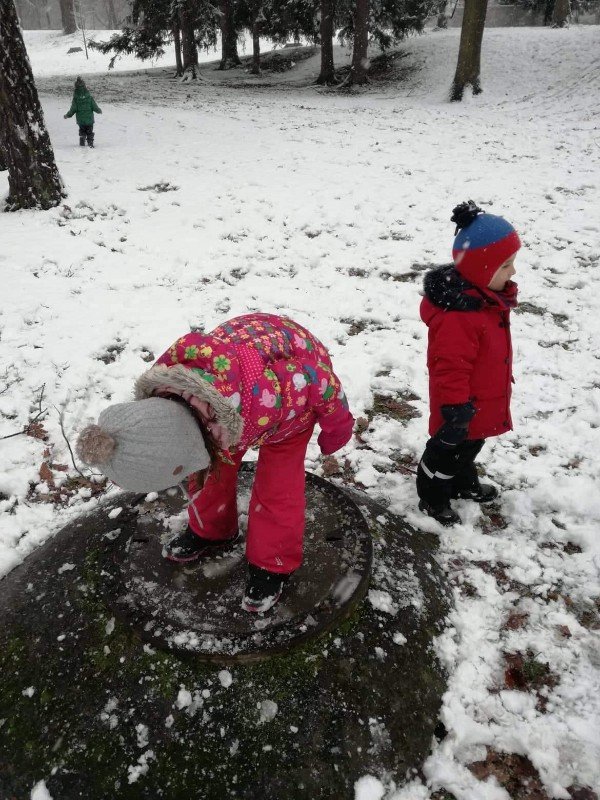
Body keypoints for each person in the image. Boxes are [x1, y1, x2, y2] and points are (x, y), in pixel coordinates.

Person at [76, 313, 354, 612]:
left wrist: (337, 429)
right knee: (207, 475)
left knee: (279, 487)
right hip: (226, 403)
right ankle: (211, 529)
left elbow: (318, 379)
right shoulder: (165, 389)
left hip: (292, 404)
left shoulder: (272, 395)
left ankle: (272, 563)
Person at [416, 201, 521, 526]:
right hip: (460, 405)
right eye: (506, 265)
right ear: (481, 270)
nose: (513, 272)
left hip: (481, 400)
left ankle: (462, 483)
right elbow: (449, 366)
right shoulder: (460, 317)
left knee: (470, 446)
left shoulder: (484, 301)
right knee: (446, 452)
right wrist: (455, 408)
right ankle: (432, 497)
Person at [64, 77, 102, 148]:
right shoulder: (89, 97)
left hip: (80, 120)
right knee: (90, 131)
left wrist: (67, 115)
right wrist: (99, 110)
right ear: (84, 86)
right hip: (89, 119)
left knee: (82, 130)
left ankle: (82, 140)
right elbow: (94, 106)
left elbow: (73, 109)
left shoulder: (75, 99)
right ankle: (90, 143)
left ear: (76, 87)